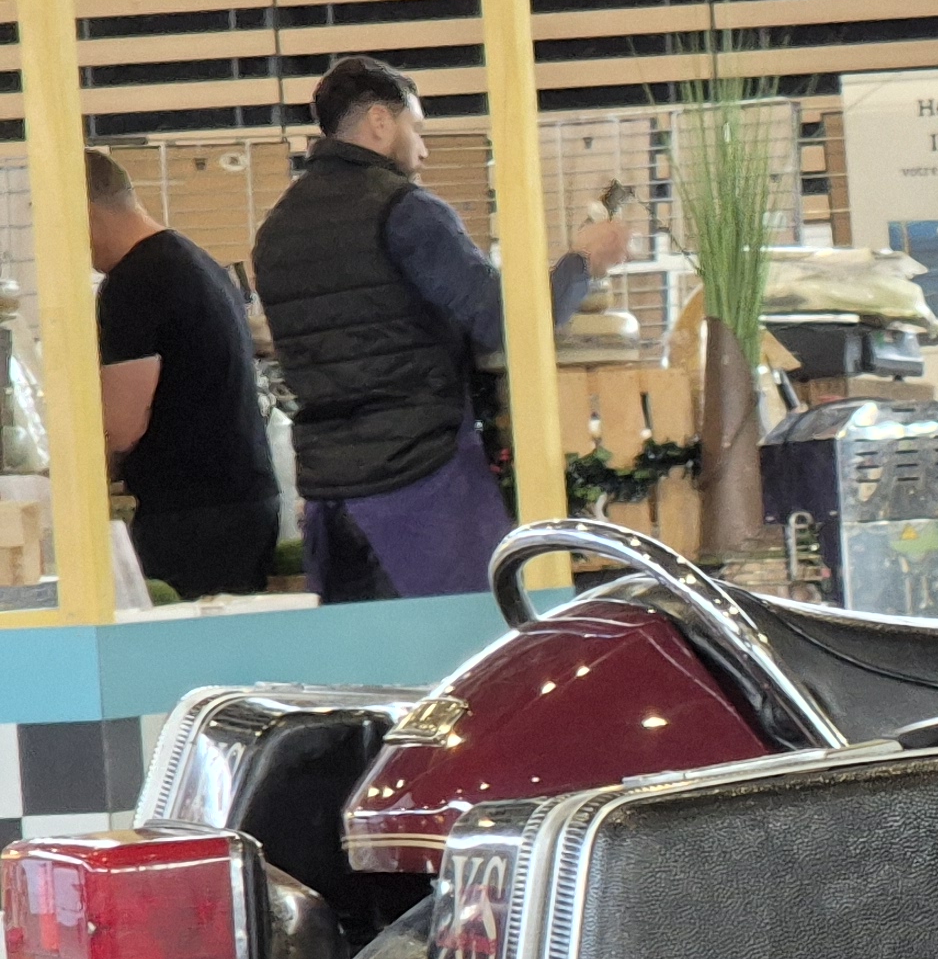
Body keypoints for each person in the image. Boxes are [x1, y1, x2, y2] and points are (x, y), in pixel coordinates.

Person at [249, 55, 630, 601]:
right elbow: (505, 324)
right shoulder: (404, 210)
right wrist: (583, 263)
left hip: (329, 493)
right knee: (470, 641)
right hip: (420, 482)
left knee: (360, 651)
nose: (423, 150)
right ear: (380, 121)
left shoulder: (276, 230)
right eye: (417, 128)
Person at [84, 149, 282, 599]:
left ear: (86, 214)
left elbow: (122, 426)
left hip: (194, 515)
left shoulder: (136, 282)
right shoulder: (193, 260)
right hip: (241, 496)